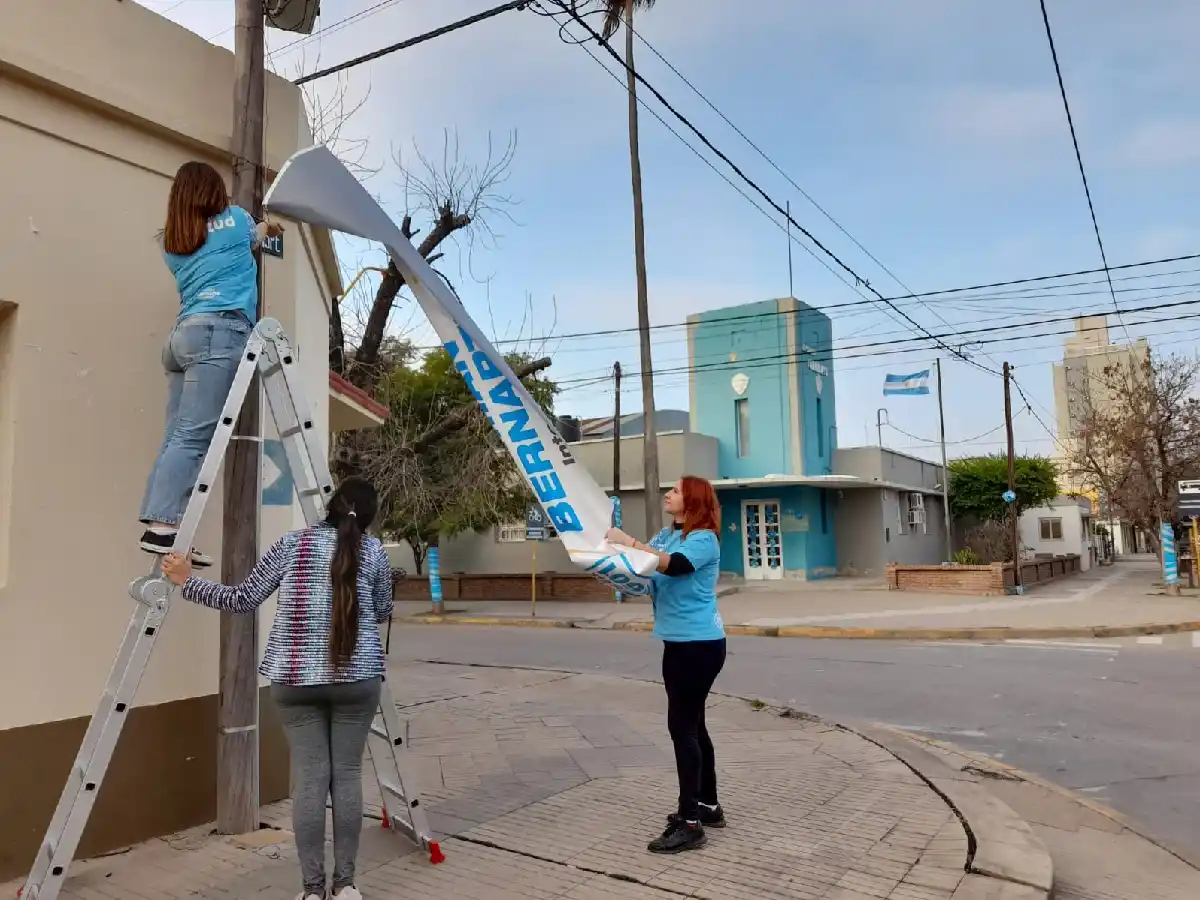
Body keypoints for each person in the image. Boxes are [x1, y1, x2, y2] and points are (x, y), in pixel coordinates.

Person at [161, 477, 392, 900]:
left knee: (311, 779)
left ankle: (311, 891)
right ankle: (346, 887)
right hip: (356, 679)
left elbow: (241, 599)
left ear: (331, 505)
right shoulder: (374, 551)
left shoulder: (292, 544)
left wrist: (186, 581)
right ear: (369, 516)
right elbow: (380, 611)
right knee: (346, 776)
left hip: (294, 680)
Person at [139, 160, 284, 565]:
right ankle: (163, 528)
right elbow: (259, 233)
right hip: (219, 333)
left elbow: (211, 242)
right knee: (192, 438)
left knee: (177, 437)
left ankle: (170, 528)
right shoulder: (237, 220)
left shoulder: (171, 241)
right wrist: (271, 227)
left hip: (182, 337)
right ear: (213, 191)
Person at [606, 475, 726, 855]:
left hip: (699, 645)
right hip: (678, 643)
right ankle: (707, 806)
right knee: (694, 726)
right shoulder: (666, 535)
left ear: (692, 499)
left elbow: (675, 567)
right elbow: (646, 574)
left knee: (682, 729)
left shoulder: (703, 538)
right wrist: (612, 568)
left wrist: (630, 543)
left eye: (675, 491)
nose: (668, 495)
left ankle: (689, 823)